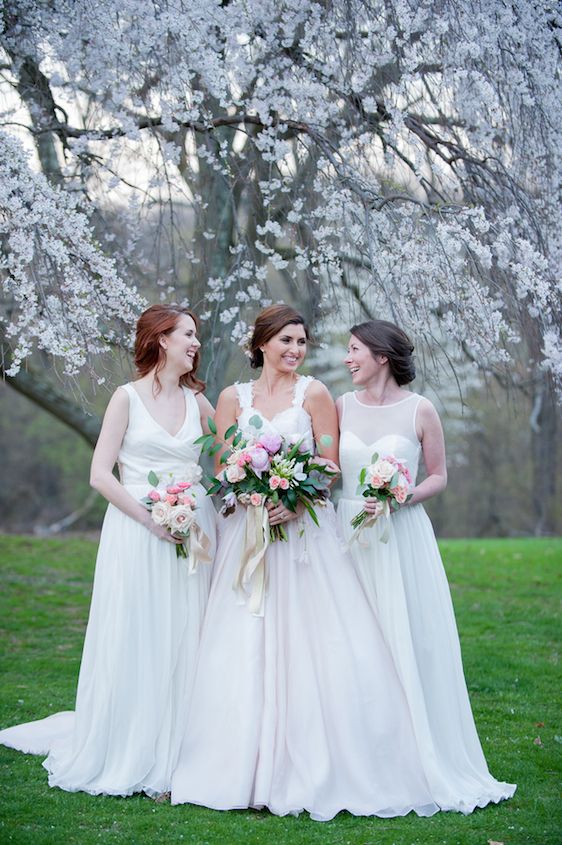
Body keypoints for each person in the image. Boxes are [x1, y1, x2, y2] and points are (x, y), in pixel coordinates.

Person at [170, 304, 439, 821]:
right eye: (286, 341)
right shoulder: (231, 398)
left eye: (302, 343)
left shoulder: (315, 395)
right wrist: (248, 491)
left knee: (313, 646)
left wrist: (292, 499)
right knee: (240, 642)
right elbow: (225, 462)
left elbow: (331, 464)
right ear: (262, 343)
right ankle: (234, 765)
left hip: (304, 539)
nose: (295, 351)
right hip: (246, 536)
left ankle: (311, 763)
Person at [0, 304, 217, 797]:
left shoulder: (199, 403)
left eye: (196, 335)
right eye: (188, 334)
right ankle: (134, 744)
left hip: (194, 529)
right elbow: (100, 474)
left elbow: (228, 459)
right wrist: (152, 520)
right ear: (162, 339)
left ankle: (182, 747)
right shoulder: (126, 399)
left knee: (189, 632)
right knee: (140, 631)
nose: (195, 343)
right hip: (138, 533)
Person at [336, 319, 516, 813]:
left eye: (354, 350)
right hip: (345, 534)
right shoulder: (339, 407)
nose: (348, 359)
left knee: (403, 643)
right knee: (352, 645)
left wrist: (401, 496)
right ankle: (359, 756)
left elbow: (438, 476)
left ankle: (416, 756)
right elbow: (327, 470)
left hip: (400, 537)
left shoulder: (421, 410)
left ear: (381, 356)